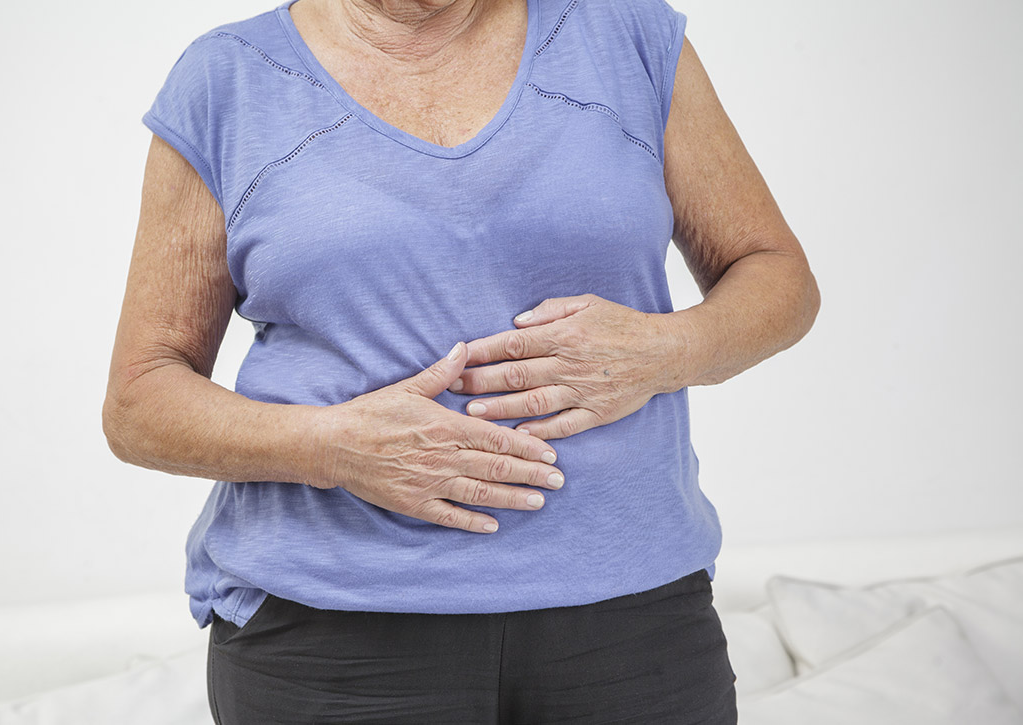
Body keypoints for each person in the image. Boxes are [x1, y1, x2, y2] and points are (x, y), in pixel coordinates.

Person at [103, 0, 819, 720]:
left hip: (634, 626)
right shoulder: (229, 79)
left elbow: (777, 275)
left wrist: (667, 350)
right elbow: (140, 399)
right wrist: (334, 448)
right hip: (333, 639)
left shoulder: (623, 36)